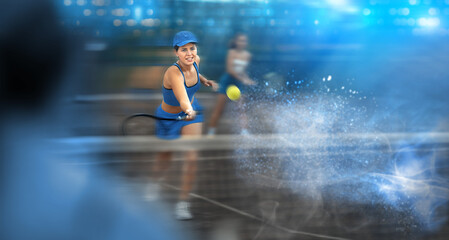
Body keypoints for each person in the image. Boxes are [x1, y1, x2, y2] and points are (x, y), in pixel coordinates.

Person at [150, 31, 217, 220]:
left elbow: (195, 71)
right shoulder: (172, 72)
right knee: (165, 157)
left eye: (192, 48)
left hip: (192, 114)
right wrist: (187, 109)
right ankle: (154, 183)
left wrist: (204, 81)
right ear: (176, 53)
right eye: (184, 49)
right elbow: (181, 95)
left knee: (192, 158)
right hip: (169, 117)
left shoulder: (196, 60)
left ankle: (183, 203)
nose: (189, 53)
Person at [207, 33, 256, 135]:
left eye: (244, 41)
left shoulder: (248, 55)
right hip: (227, 82)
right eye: (240, 40)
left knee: (242, 109)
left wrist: (248, 79)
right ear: (236, 42)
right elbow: (230, 70)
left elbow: (243, 72)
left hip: (238, 84)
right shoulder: (231, 52)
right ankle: (211, 131)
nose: (242, 43)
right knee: (219, 109)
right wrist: (243, 80)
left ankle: (244, 131)